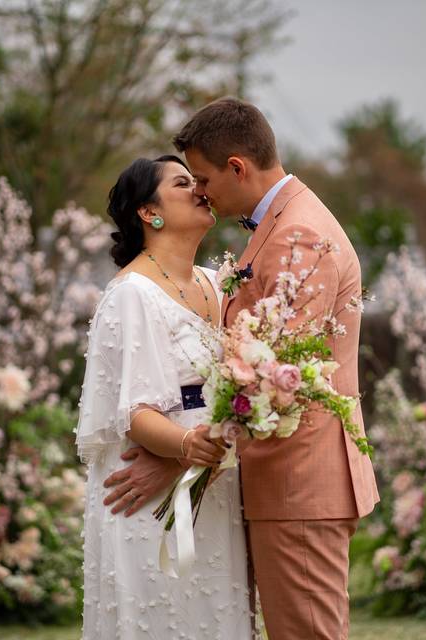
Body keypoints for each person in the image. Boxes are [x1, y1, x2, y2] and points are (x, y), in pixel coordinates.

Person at [103, 98, 379, 639]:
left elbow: (275, 383)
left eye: (202, 179)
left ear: (237, 167)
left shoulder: (298, 234)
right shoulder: (278, 226)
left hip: (300, 480)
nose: (200, 192)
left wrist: (186, 460)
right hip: (280, 481)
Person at [75, 155, 252, 639]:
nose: (199, 188)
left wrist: (202, 454)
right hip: (149, 502)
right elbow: (134, 414)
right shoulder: (131, 294)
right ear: (148, 213)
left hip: (216, 486)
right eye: (182, 182)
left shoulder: (219, 285)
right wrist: (187, 448)